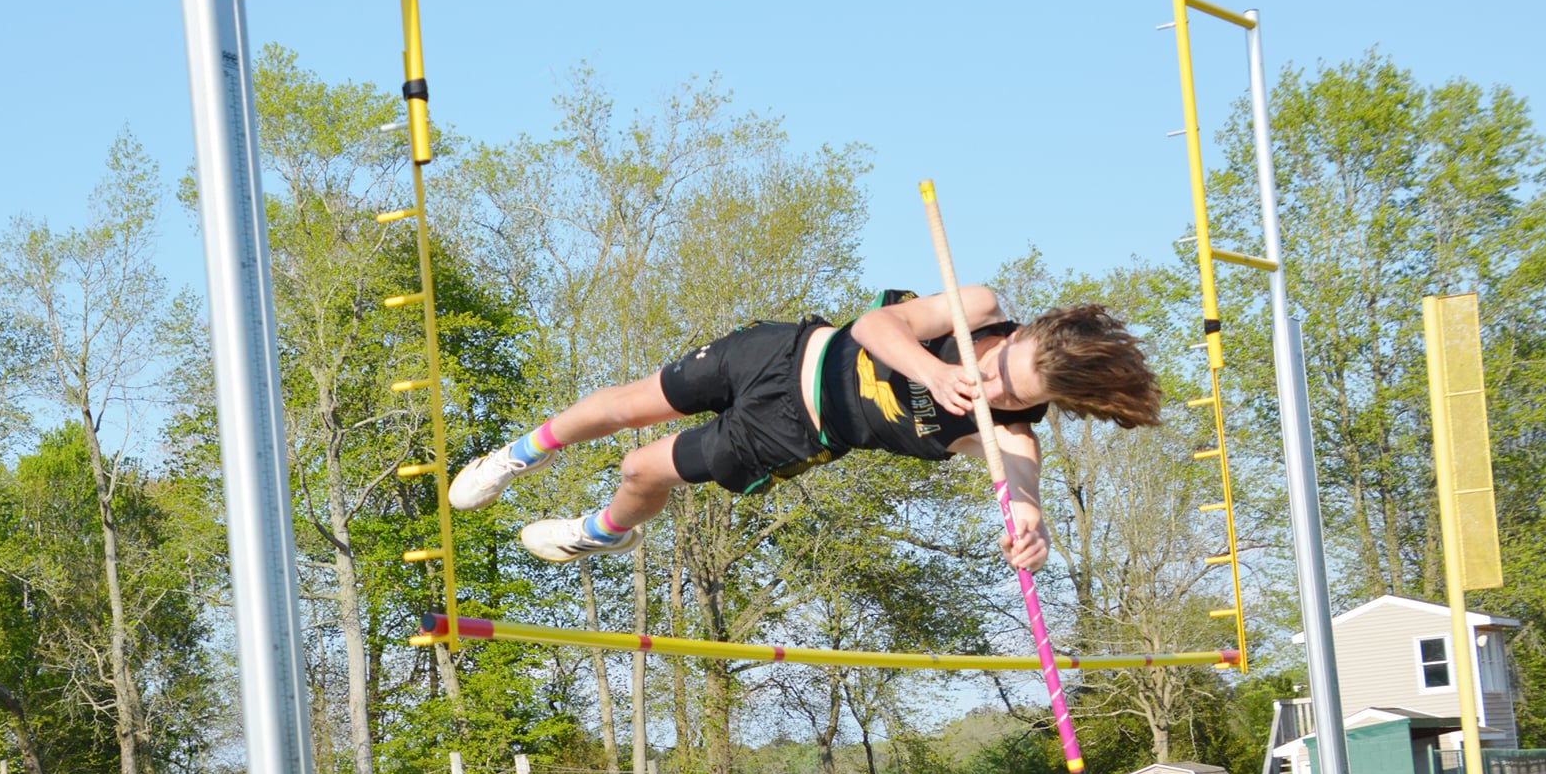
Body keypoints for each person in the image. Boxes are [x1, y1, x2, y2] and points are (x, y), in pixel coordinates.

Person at [448, 286, 1162, 571]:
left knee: (641, 467)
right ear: (1022, 330)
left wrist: (1029, 525)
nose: (995, 384)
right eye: (1004, 366)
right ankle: (514, 457)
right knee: (624, 404)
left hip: (790, 434)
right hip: (783, 353)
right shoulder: (975, 307)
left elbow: (1019, 485)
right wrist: (935, 372)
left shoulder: (1005, 431)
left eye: (1015, 392)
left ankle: (598, 532)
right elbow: (877, 325)